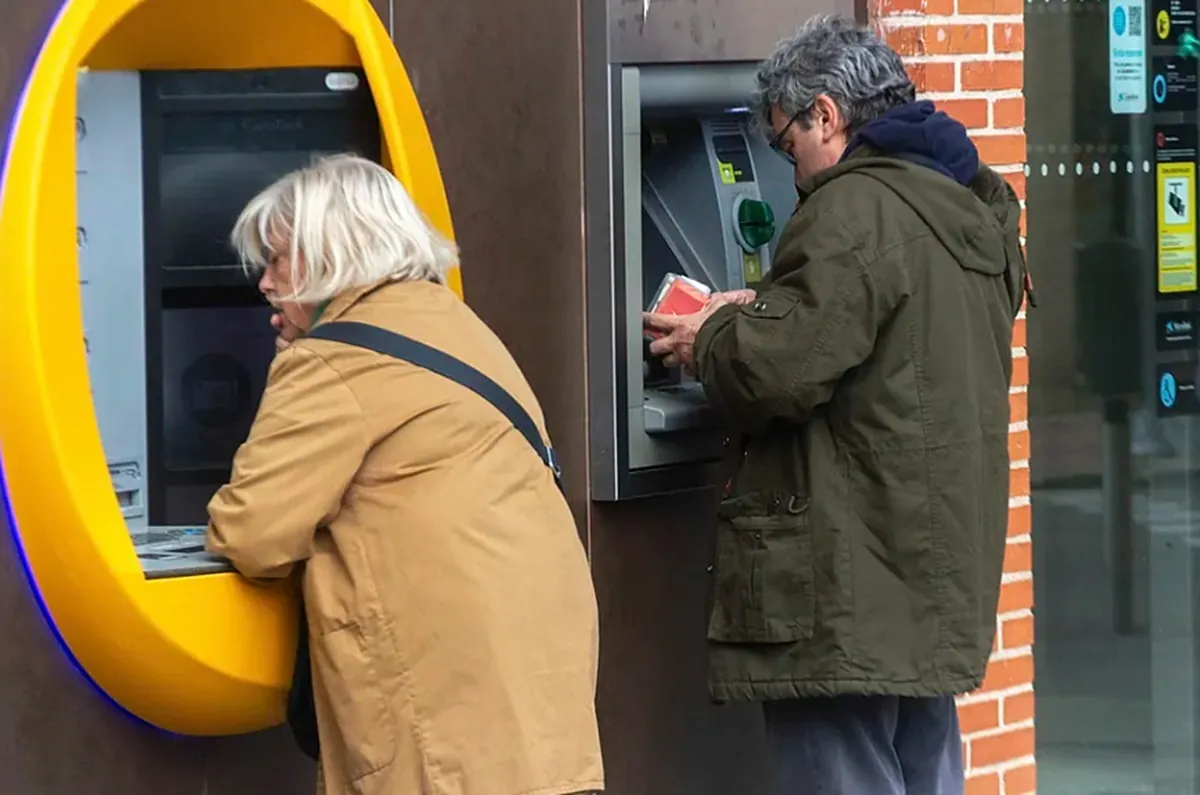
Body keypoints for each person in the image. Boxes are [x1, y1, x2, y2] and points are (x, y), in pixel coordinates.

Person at [643, 15, 1031, 795]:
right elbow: (878, 337)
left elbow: (774, 373)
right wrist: (771, 306)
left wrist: (711, 332)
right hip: (925, 566)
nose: (791, 174)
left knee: (842, 770)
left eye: (786, 145)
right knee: (924, 764)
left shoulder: (852, 209)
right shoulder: (958, 197)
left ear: (825, 114)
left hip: (845, 576)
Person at [204, 154, 605, 795]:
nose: (266, 283)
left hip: (444, 700)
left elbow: (251, 534)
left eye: (276, 259)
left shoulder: (331, 362)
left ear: (329, 251)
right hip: (533, 675)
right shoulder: (452, 324)